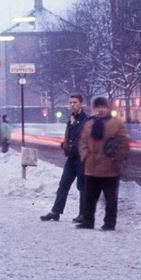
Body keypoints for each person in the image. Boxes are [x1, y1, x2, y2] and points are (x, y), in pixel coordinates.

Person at [77, 97, 130, 231]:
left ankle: (109, 224)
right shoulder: (89, 123)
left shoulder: (116, 123)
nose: (100, 110)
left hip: (110, 168)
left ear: (107, 108)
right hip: (91, 167)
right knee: (89, 198)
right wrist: (85, 156)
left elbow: (124, 143)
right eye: (97, 107)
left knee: (110, 199)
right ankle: (88, 222)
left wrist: (117, 158)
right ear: (94, 109)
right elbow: (83, 142)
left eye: (103, 107)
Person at [40, 93, 88, 223]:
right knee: (63, 184)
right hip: (71, 157)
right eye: (70, 102)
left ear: (81, 104)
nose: (72, 105)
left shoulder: (86, 120)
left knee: (82, 186)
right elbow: (70, 136)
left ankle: (83, 214)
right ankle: (55, 212)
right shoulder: (71, 118)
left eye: (75, 102)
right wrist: (65, 145)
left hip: (82, 158)